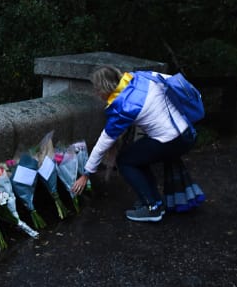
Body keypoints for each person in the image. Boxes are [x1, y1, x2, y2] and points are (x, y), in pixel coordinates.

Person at [70, 66, 196, 222]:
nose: (96, 94)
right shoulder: (141, 77)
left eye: (97, 90)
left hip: (171, 140)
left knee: (124, 161)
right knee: (137, 156)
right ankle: (154, 201)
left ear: (106, 88)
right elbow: (170, 80)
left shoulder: (122, 108)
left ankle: (152, 208)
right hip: (186, 131)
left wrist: (86, 174)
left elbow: (102, 144)